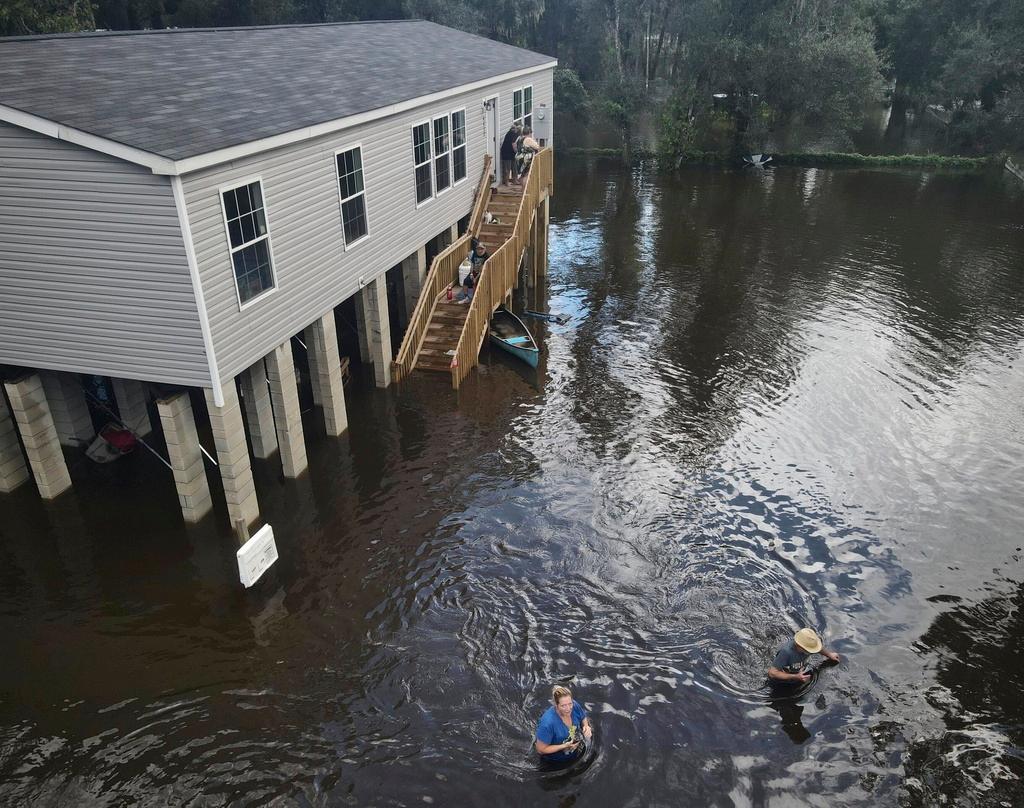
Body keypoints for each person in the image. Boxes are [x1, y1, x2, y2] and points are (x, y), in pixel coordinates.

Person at [534, 685, 592, 762]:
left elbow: (583, 717)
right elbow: (540, 749)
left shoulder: (574, 705)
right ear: (556, 705)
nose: (568, 709)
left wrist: (586, 726)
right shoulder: (548, 723)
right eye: (563, 706)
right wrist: (564, 746)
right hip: (554, 760)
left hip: (572, 749)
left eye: (570, 704)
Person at [767, 627, 840, 684]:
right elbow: (772, 673)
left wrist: (829, 654)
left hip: (798, 670)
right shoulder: (786, 652)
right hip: (783, 677)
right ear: (799, 645)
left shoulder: (808, 646)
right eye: (808, 650)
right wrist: (795, 676)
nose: (811, 652)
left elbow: (818, 648)